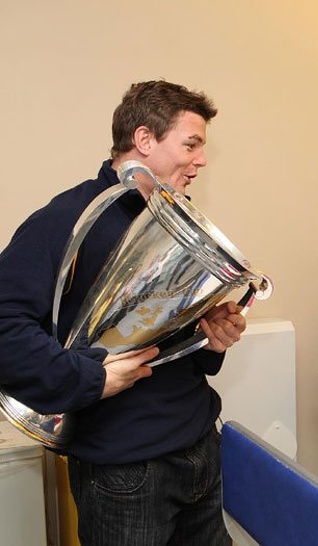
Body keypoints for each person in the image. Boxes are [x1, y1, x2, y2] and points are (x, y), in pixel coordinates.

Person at [0, 81, 245, 545]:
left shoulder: (180, 221)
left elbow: (163, 332)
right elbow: (5, 328)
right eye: (190, 145)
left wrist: (210, 339)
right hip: (126, 472)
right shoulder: (67, 218)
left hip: (199, 450)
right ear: (144, 140)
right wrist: (90, 379)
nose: (201, 161)